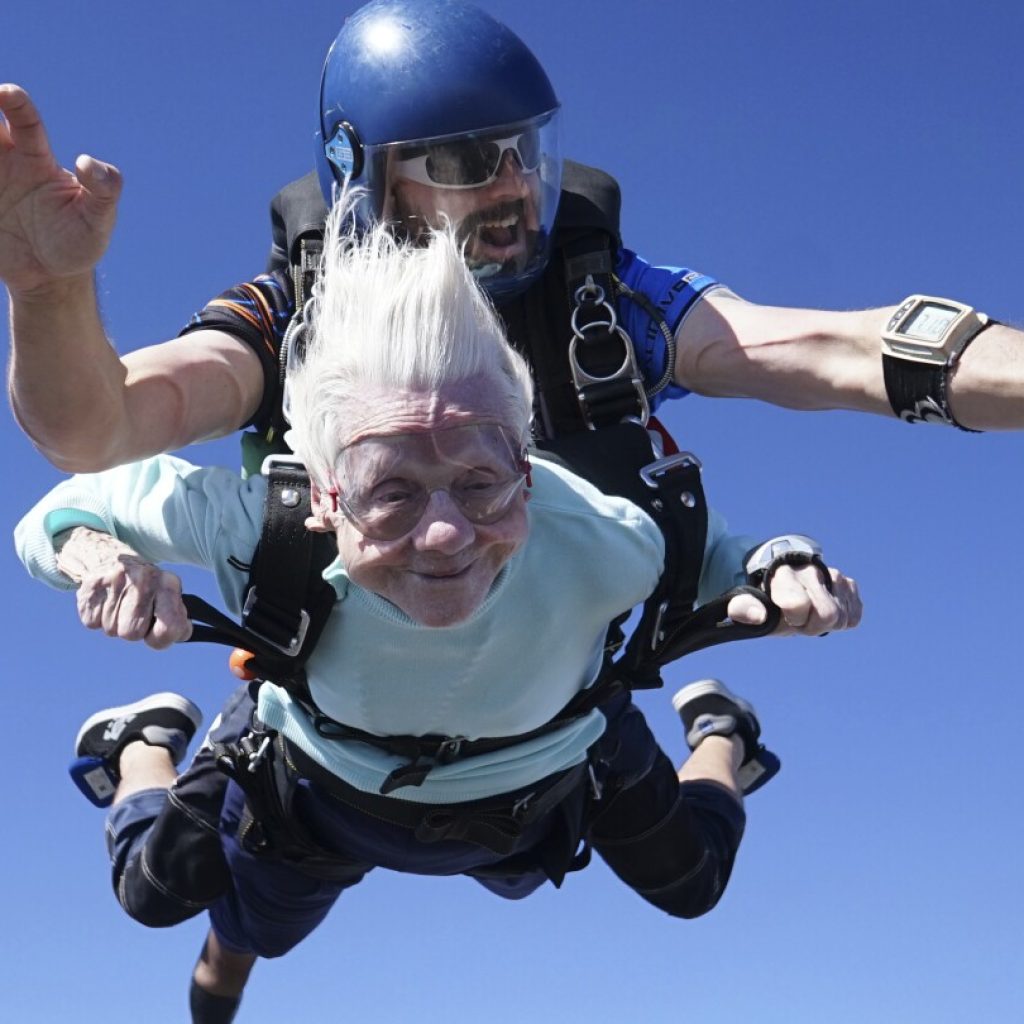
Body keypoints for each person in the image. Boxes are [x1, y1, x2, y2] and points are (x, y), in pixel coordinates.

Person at [15, 201, 862, 1022]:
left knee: (693, 885)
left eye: (482, 482)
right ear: (322, 498)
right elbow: (54, 516)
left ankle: (723, 736)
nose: (447, 534)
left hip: (545, 772)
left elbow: (713, 547)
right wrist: (104, 559)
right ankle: (141, 745)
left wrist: (783, 562)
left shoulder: (604, 535)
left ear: (527, 472)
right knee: (164, 902)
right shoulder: (258, 522)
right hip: (321, 785)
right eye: (390, 491)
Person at [1, 0, 1021, 481]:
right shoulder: (293, 315)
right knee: (237, 875)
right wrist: (49, 295)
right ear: (361, 176)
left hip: (546, 708)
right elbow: (98, 428)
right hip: (340, 708)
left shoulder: (603, 300)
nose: (507, 189)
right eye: (455, 163)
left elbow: (835, 349)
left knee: (673, 866)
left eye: (523, 155)